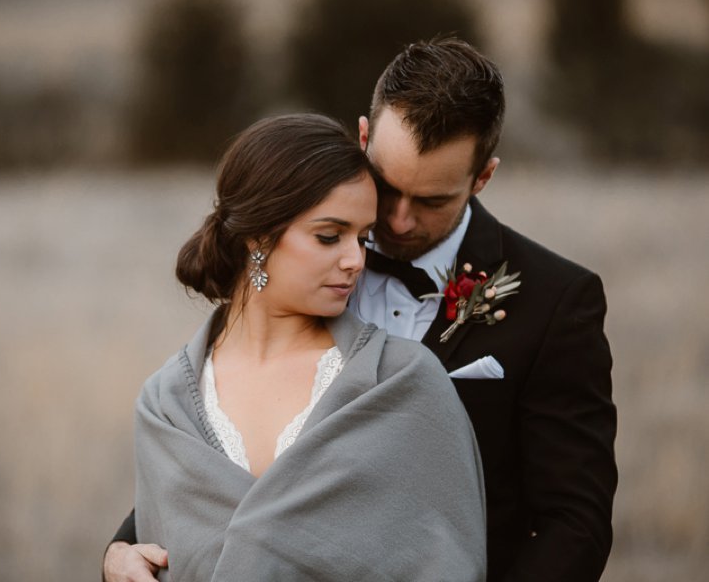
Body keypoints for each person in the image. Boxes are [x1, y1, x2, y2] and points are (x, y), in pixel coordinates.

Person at [106, 38, 617, 582]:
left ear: (482, 177)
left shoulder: (557, 299)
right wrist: (123, 547)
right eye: (388, 186)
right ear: (364, 137)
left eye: (431, 200)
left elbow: (575, 522)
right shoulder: (308, 269)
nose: (396, 222)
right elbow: (231, 467)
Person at [120, 113, 486, 581]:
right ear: (258, 235)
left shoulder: (402, 380)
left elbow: (447, 563)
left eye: (362, 238)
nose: (356, 261)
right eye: (329, 236)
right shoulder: (164, 405)